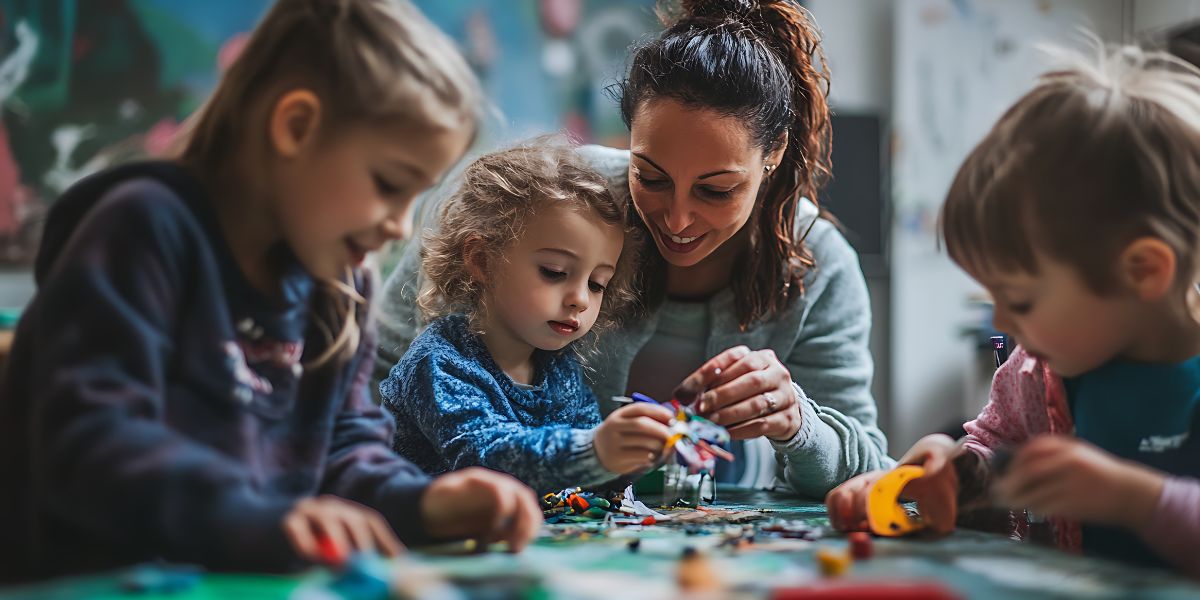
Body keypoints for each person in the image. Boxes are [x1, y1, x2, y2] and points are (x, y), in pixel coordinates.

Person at [0, 0, 541, 581]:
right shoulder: (143, 227)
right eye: (389, 184)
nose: (399, 226)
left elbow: (343, 453)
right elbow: (89, 442)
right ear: (296, 127)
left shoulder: (341, 283)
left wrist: (428, 502)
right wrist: (257, 518)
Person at [375, 0, 891, 497]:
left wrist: (798, 424)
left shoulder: (821, 267)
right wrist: (595, 452)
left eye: (716, 190)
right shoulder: (546, 207)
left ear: (773, 153)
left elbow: (869, 470)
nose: (678, 218)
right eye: (651, 176)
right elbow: (383, 388)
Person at [825, 42, 1200, 578]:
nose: (1001, 322)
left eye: (1020, 299)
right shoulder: (1035, 376)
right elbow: (992, 459)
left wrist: (1137, 500)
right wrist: (946, 474)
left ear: (1142, 271)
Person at [380, 140, 679, 494]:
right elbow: (485, 457)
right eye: (554, 272)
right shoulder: (438, 362)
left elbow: (588, 479)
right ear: (482, 260)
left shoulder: (559, 369)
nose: (580, 299)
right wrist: (594, 450)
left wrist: (638, 452)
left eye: (598, 284)